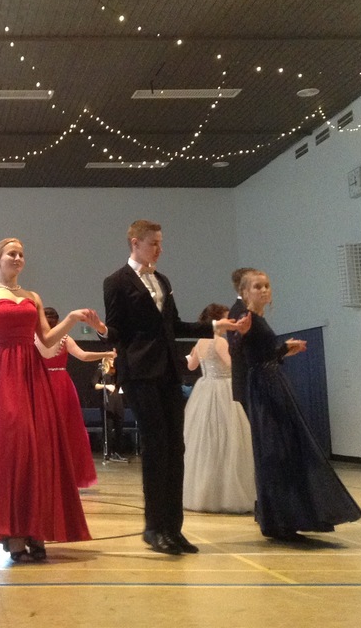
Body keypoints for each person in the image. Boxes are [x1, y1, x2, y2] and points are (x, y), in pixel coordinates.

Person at [0, 237, 106, 563]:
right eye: (12, 253)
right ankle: (14, 532)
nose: (18, 258)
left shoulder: (33, 297)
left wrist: (72, 318)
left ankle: (35, 530)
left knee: (37, 449)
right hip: (4, 372)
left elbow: (46, 338)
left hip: (33, 372)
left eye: (21, 254)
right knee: (15, 444)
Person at [101, 220, 248, 556]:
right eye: (153, 243)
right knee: (156, 447)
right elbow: (116, 330)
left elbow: (175, 326)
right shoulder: (116, 281)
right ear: (135, 243)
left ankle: (174, 529)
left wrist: (216, 326)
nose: (159, 249)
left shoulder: (163, 281)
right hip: (139, 373)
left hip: (168, 371)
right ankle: (155, 529)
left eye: (160, 243)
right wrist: (101, 331)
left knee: (175, 448)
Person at [235, 270, 361, 541]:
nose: (264, 290)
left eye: (267, 285)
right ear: (245, 292)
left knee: (284, 449)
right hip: (265, 387)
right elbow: (247, 355)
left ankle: (284, 519)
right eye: (257, 286)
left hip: (272, 382)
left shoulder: (259, 319)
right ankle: (278, 520)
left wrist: (283, 350)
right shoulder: (247, 319)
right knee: (275, 451)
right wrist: (273, 347)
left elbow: (262, 355)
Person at [182, 303, 256, 514]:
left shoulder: (200, 341)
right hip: (222, 389)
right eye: (227, 318)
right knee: (227, 439)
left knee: (205, 441)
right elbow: (231, 365)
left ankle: (203, 493)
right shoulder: (220, 341)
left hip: (204, 389)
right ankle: (224, 493)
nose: (230, 321)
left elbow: (191, 366)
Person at [35, 306, 116, 487]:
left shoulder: (33, 340)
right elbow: (84, 356)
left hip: (40, 383)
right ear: (58, 321)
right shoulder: (64, 339)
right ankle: (64, 475)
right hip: (61, 385)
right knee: (66, 431)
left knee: (42, 431)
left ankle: (43, 474)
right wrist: (107, 354)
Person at [227, 267, 256, 414]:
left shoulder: (246, 310)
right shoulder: (241, 311)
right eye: (256, 285)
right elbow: (236, 349)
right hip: (249, 380)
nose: (264, 290)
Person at [92, 355, 127, 461]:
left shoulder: (116, 371)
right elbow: (94, 384)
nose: (113, 361)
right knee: (108, 428)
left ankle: (118, 452)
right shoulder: (101, 371)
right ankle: (108, 452)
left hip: (118, 401)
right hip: (107, 403)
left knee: (119, 427)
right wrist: (106, 386)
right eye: (111, 359)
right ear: (106, 360)